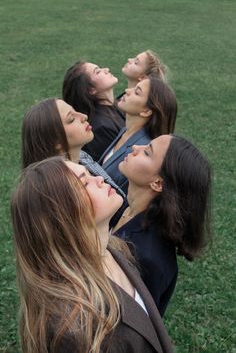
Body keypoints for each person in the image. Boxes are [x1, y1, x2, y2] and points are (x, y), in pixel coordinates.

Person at [11, 157, 175, 352]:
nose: (99, 179)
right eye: (85, 182)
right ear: (63, 216)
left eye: (89, 173)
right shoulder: (70, 327)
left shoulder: (115, 251)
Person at [112, 135, 212, 316]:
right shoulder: (122, 206)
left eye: (147, 152)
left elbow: (129, 326)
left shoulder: (147, 258)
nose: (135, 147)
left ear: (158, 183)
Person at [22, 98, 125, 197]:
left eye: (75, 111)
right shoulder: (63, 188)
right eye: (71, 119)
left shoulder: (81, 155)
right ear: (57, 142)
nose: (84, 116)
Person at [99, 76, 177, 196]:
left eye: (136, 92)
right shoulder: (126, 131)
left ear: (146, 111)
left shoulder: (140, 150)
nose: (127, 90)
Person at [62, 61, 125, 161]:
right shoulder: (101, 127)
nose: (106, 70)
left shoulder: (115, 105)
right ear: (91, 90)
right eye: (98, 71)